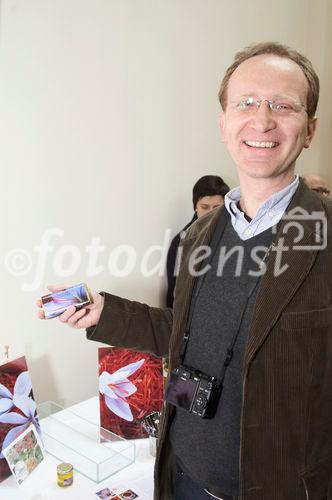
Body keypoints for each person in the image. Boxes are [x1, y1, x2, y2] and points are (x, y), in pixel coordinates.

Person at [38, 42, 332, 500]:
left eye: (283, 105)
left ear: (309, 129)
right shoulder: (198, 235)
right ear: (224, 123)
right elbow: (185, 332)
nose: (262, 120)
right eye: (246, 103)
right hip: (180, 477)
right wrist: (103, 312)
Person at [166, 175, 229, 307]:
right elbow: (175, 291)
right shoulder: (181, 241)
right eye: (205, 207)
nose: (211, 214)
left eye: (217, 207)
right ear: (195, 206)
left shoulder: (236, 235)